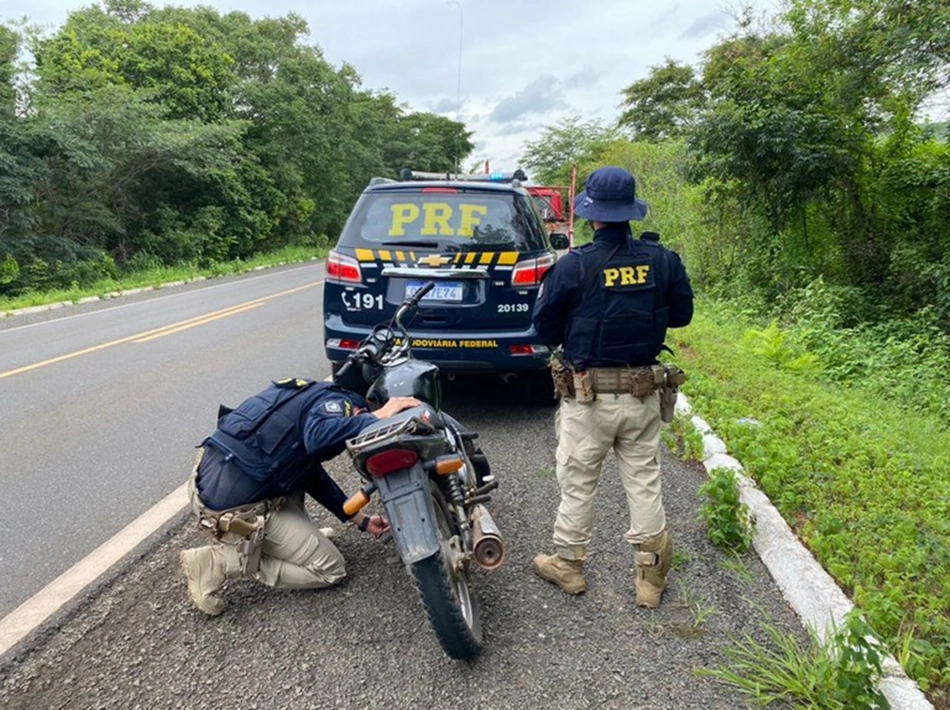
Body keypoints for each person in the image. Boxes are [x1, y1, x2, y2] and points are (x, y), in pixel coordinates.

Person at [531, 166, 694, 607]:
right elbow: (681, 316)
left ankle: (569, 566)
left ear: (591, 214)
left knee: (578, 481)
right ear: (630, 212)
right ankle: (650, 582)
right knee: (644, 481)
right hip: (643, 393)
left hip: (588, 398)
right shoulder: (664, 260)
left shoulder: (573, 266)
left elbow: (544, 330)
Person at [180, 377, 420, 615]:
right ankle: (220, 561)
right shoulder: (343, 407)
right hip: (229, 515)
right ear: (357, 409)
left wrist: (360, 519)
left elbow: (308, 472)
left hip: (203, 481)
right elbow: (317, 439)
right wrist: (376, 416)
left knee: (291, 465)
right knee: (331, 569)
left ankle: (292, 542)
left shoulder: (309, 392)